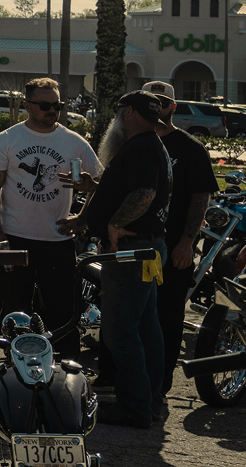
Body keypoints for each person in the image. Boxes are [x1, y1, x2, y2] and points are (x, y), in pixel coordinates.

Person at [59, 91, 172, 428]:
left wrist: (115, 224)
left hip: (131, 251)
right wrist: (84, 220)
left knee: (120, 329)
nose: (117, 118)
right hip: (145, 248)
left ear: (129, 113)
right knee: (145, 326)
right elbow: (124, 190)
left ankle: (134, 406)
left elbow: (144, 193)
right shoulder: (150, 145)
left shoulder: (140, 146)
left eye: (120, 111)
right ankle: (149, 401)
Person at [0, 77, 99, 358]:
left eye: (57, 105)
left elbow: (102, 183)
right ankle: (18, 369)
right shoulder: (7, 140)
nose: (53, 110)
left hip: (57, 240)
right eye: (45, 105)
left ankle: (67, 371)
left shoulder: (75, 143)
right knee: (16, 311)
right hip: (14, 238)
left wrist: (83, 217)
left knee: (63, 311)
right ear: (27, 106)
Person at [138, 82, 214, 394]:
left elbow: (201, 199)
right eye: (152, 102)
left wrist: (187, 241)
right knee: (134, 315)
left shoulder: (191, 149)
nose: (158, 107)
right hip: (135, 244)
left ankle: (160, 385)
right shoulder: (132, 142)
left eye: (163, 102)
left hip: (173, 248)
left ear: (173, 107)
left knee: (167, 317)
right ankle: (129, 380)